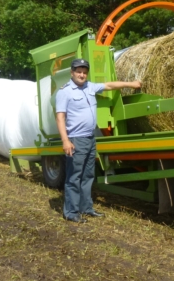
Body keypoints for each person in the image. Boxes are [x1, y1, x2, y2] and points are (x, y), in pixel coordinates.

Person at [56, 58, 142, 223]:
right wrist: (65, 141)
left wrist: (132, 84)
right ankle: (71, 212)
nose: (82, 75)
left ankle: (86, 208)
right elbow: (60, 118)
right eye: (78, 71)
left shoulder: (90, 86)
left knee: (88, 175)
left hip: (90, 138)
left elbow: (109, 85)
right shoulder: (64, 92)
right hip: (76, 139)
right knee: (74, 177)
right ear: (72, 72)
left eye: (84, 72)